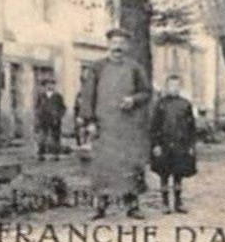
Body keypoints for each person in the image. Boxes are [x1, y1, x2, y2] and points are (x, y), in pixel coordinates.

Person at [76, 28, 152, 219]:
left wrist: (133, 100)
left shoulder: (135, 68)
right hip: (104, 127)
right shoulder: (97, 67)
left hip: (128, 127)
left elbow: (146, 92)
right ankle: (100, 206)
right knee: (103, 167)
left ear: (127, 46)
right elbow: (88, 96)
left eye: (121, 43)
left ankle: (132, 206)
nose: (118, 46)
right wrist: (90, 121)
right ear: (108, 44)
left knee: (130, 166)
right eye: (114, 42)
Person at [148, 74, 198, 214]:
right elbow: (154, 127)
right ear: (167, 87)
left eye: (176, 86)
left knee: (178, 174)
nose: (174, 88)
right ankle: (164, 203)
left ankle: (178, 202)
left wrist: (191, 146)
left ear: (180, 87)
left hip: (180, 144)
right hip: (164, 144)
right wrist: (156, 145)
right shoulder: (160, 104)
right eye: (171, 85)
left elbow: (191, 127)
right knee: (164, 174)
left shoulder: (185, 104)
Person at [34, 75, 66, 161]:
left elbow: (63, 108)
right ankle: (41, 154)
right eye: (48, 84)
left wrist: (59, 116)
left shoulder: (58, 96)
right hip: (43, 119)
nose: (50, 86)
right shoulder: (41, 96)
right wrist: (38, 116)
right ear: (45, 86)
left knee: (55, 137)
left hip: (55, 120)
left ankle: (55, 154)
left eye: (52, 84)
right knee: (42, 137)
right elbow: (37, 107)